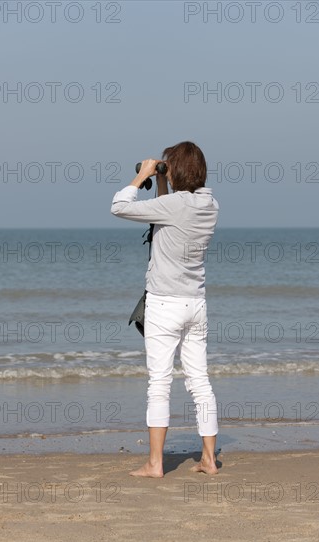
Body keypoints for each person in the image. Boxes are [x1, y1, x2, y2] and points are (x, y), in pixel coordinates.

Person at [110, 141, 219, 477]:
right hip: (195, 305)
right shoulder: (209, 204)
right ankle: (209, 460)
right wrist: (161, 181)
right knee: (200, 381)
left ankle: (155, 464)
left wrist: (143, 174)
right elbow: (168, 213)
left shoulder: (176, 205)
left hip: (164, 306)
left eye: (168, 166)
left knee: (159, 383)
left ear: (178, 171)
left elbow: (119, 206)